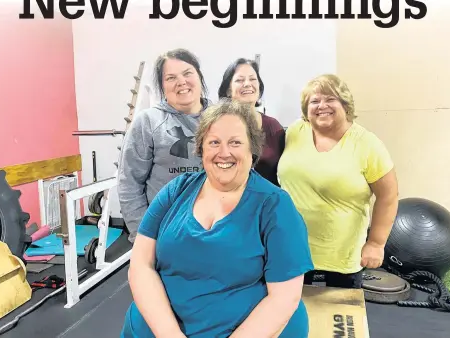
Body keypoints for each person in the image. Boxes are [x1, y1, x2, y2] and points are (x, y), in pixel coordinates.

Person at [121, 100, 314, 338]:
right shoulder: (175, 192)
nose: (224, 152)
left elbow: (285, 296)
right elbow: (141, 265)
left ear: (251, 149)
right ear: (201, 148)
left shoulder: (275, 205)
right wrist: (169, 333)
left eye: (235, 142)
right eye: (214, 142)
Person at [277, 74, 399, 289]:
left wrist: (376, 243)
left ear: (345, 104)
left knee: (341, 317)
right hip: (293, 247)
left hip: (341, 255)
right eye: (314, 101)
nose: (321, 106)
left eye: (330, 99)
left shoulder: (367, 144)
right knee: (292, 314)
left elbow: (388, 196)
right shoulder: (296, 131)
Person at [117, 48, 210, 243]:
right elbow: (129, 184)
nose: (181, 82)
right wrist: (143, 236)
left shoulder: (220, 118)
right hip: (165, 233)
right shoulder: (148, 121)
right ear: (162, 85)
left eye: (187, 73)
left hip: (213, 230)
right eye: (171, 78)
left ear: (199, 76)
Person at [218, 58, 285, 186]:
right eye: (240, 80)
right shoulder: (217, 125)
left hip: (268, 201)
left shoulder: (273, 127)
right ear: (228, 90)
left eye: (253, 79)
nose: (247, 84)